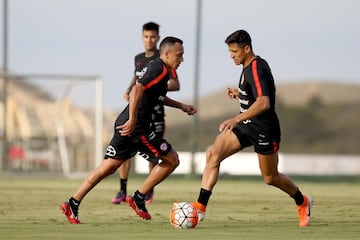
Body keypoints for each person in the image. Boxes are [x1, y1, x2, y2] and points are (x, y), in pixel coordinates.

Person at [60, 36, 196, 224]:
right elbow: (137, 89)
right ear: (166, 53)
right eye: (179, 55)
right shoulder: (159, 68)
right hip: (137, 127)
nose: (182, 59)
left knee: (107, 168)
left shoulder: (160, 69)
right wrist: (133, 119)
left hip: (126, 123)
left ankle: (72, 202)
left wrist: (181, 106)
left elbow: (156, 96)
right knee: (171, 160)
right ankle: (138, 197)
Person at [191, 29, 313, 227]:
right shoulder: (246, 66)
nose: (231, 56)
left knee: (270, 177)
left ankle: (303, 201)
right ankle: (200, 207)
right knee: (213, 154)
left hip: (265, 129)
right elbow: (257, 96)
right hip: (247, 126)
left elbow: (265, 102)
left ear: (247, 49)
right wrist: (241, 95)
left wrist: (236, 119)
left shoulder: (257, 67)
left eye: (235, 52)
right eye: (230, 52)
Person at [112, 21, 180, 205]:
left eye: (152, 36)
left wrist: (156, 87)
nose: (149, 40)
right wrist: (129, 88)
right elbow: (137, 78)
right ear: (142, 37)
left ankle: (147, 191)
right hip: (139, 113)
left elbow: (175, 84)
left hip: (156, 114)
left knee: (156, 153)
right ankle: (123, 190)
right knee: (125, 153)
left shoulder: (164, 59)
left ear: (158, 38)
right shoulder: (139, 58)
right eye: (146, 36)